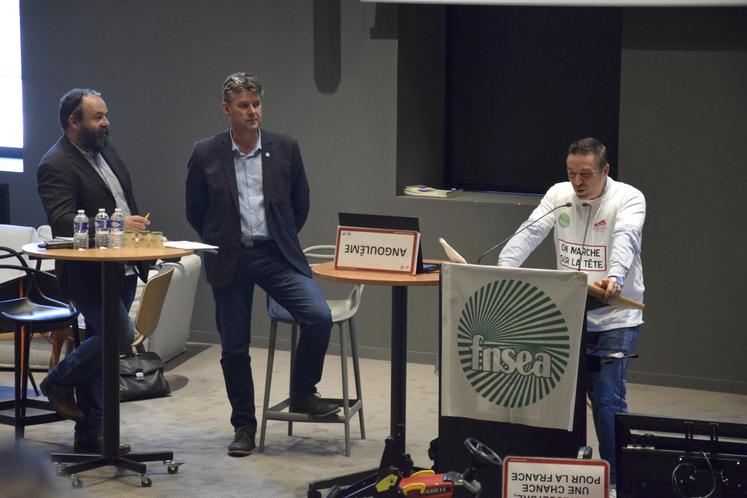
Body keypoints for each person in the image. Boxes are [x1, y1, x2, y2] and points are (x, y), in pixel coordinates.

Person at [185, 73, 338, 457]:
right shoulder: (206, 152)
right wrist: (222, 236)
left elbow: (300, 202)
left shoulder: (284, 146)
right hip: (229, 257)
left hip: (275, 254)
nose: (252, 112)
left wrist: (282, 236)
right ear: (226, 110)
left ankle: (303, 393)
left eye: (256, 104)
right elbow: (195, 209)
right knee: (234, 348)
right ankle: (244, 426)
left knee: (318, 316)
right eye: (243, 105)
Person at [497, 137, 645, 489]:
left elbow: (626, 235)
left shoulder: (629, 197)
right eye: (571, 173)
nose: (578, 182)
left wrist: (615, 276)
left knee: (607, 401)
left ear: (605, 171)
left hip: (614, 316)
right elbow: (530, 231)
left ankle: (614, 483)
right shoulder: (558, 195)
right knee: (559, 400)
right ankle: (563, 479)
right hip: (568, 315)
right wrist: (503, 268)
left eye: (586, 174)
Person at [37, 88, 150, 453]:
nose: (106, 123)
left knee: (100, 344)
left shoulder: (106, 153)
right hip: (88, 274)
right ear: (74, 122)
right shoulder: (55, 163)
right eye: (97, 117)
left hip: (123, 267)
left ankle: (90, 433)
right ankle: (57, 380)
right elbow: (61, 222)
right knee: (118, 335)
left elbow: (123, 201)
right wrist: (119, 225)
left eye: (106, 115)